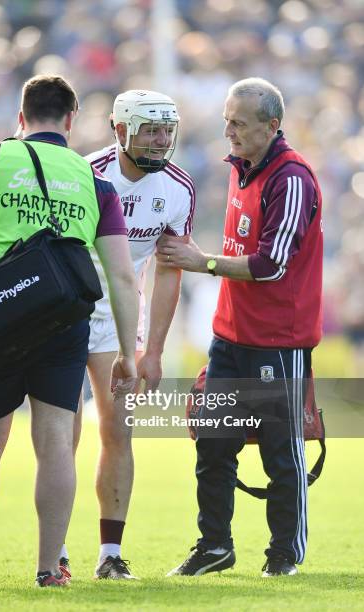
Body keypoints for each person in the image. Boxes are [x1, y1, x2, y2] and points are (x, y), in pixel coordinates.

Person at [0, 75, 139, 588]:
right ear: (70, 120)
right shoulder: (94, 180)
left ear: (21, 116)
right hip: (63, 324)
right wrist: (128, 351)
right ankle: (47, 569)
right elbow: (123, 276)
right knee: (57, 442)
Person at [159, 78, 323, 577]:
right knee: (212, 444)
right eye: (227, 120)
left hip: (277, 340)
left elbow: (271, 264)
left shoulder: (291, 178)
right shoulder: (242, 169)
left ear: (273, 126)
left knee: (280, 452)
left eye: (239, 123)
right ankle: (214, 546)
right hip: (229, 336)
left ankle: (283, 556)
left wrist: (201, 262)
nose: (227, 130)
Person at [59, 90, 195, 579]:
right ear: (120, 131)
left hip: (118, 321)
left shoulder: (179, 188)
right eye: (150, 131)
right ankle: (56, 551)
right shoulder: (83, 173)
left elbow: (170, 270)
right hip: (64, 314)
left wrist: (153, 349)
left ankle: (109, 555)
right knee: (61, 435)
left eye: (167, 131)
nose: (161, 142)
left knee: (119, 431)